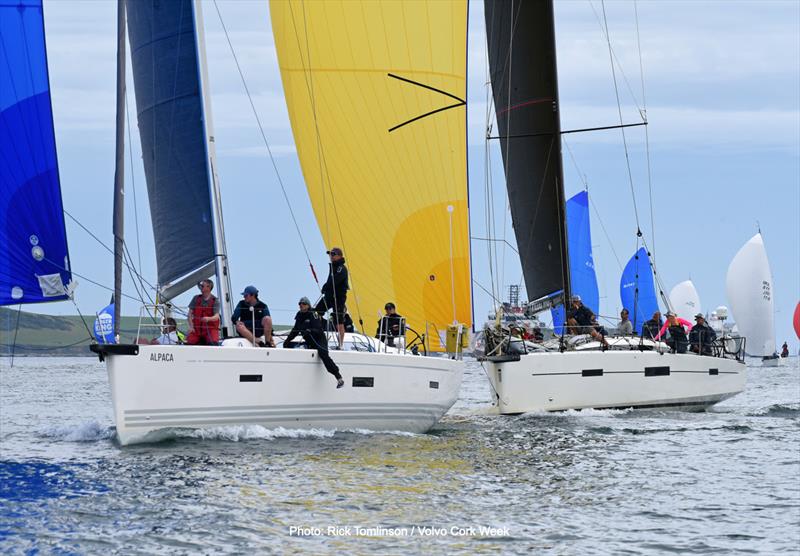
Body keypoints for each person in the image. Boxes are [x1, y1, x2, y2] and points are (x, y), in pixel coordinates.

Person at [285, 297, 344, 388]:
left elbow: (318, 328)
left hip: (319, 339)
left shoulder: (313, 313)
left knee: (323, 354)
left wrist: (310, 330)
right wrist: (287, 341)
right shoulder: (299, 316)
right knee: (290, 346)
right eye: (300, 304)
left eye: (303, 304)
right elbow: (295, 330)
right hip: (309, 341)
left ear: (308, 305)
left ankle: (338, 376)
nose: (301, 305)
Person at [314, 247, 349, 348]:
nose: (331, 256)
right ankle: (319, 334)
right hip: (329, 295)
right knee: (316, 312)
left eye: (333, 254)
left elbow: (335, 281)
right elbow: (330, 281)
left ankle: (341, 344)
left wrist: (325, 286)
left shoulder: (341, 268)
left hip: (338, 297)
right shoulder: (333, 266)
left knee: (339, 320)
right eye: (330, 254)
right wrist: (326, 288)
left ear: (339, 256)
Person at [186, 279, 220, 345]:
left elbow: (216, 316)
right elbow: (189, 314)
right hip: (196, 329)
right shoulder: (196, 298)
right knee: (189, 341)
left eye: (202, 286)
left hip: (210, 330)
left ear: (208, 287)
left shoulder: (215, 300)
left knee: (213, 342)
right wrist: (191, 326)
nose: (200, 287)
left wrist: (208, 319)